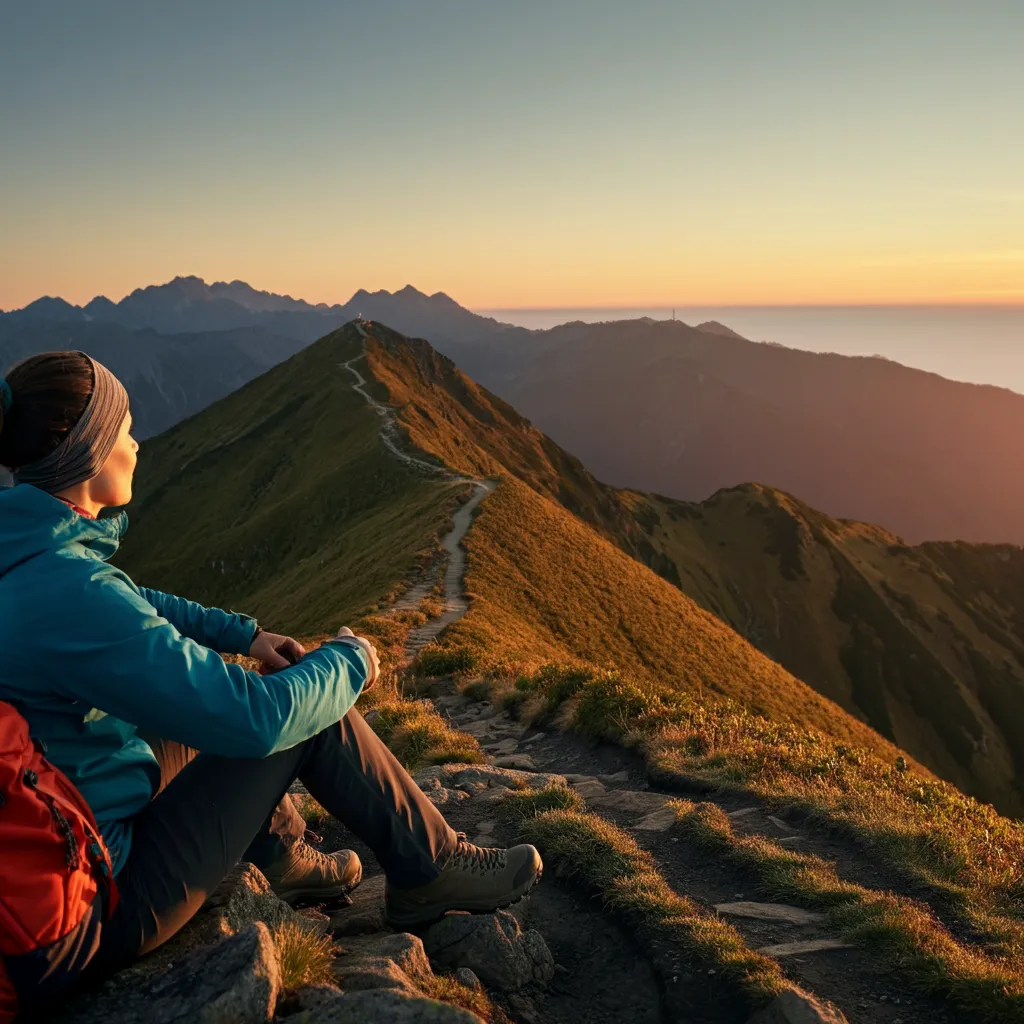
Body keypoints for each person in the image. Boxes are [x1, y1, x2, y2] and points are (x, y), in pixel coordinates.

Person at [0, 350, 542, 999]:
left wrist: (245, 635)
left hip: (67, 817)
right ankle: (431, 868)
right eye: (126, 427)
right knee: (296, 714)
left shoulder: (29, 551)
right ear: (90, 454)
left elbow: (131, 602)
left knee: (210, 698)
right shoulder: (69, 589)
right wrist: (350, 660)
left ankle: (281, 859)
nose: (138, 443)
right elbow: (255, 721)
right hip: (93, 910)